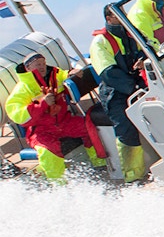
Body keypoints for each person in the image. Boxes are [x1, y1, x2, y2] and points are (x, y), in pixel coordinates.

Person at [5, 52, 105, 182]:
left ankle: (100, 164)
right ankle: (58, 185)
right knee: (48, 152)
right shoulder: (22, 90)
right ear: (28, 68)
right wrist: (42, 104)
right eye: (37, 64)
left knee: (89, 128)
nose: (42, 67)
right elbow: (19, 116)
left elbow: (64, 74)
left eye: (43, 63)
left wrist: (72, 73)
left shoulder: (55, 75)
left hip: (64, 122)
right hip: (41, 130)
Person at [90, 7, 149, 182]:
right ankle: (134, 177)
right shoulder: (100, 42)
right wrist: (134, 88)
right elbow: (108, 73)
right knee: (126, 129)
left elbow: (147, 50)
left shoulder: (132, 34)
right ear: (109, 18)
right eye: (118, 14)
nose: (124, 16)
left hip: (138, 84)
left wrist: (142, 63)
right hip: (115, 93)